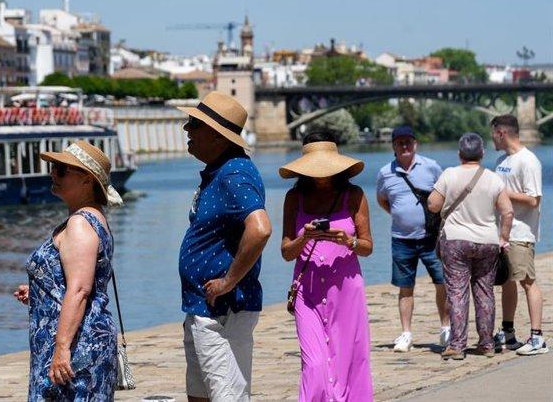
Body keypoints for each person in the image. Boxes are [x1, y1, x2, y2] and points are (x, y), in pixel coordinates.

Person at [176, 91, 272, 402]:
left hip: (223, 311)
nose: (186, 130)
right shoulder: (220, 171)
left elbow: (260, 229)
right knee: (201, 396)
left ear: (217, 135)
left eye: (194, 124)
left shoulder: (234, 173)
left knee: (228, 396)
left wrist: (229, 281)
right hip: (202, 307)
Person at [14, 140, 122, 400]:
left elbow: (81, 289)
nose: (52, 173)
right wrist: (41, 290)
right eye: (53, 167)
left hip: (76, 345)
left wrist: (62, 349)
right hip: (75, 340)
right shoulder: (88, 219)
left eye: (61, 169)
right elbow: (76, 281)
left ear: (87, 180)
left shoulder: (80, 224)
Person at [280, 131, 374, 402]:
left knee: (350, 363)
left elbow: (368, 247)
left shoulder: (353, 195)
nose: (320, 173)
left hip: (346, 292)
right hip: (306, 293)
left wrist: (349, 241)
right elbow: (286, 252)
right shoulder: (294, 198)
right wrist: (304, 237)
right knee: (315, 365)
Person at [427, 133, 514, 360]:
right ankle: (486, 344)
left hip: (455, 240)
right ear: (482, 154)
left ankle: (457, 345)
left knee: (457, 293)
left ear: (459, 154)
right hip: (487, 241)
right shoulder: (493, 178)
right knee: (485, 293)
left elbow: (433, 205)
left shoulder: (449, 174)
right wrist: (503, 237)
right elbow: (507, 212)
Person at [376, 125, 449, 352]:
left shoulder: (431, 167)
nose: (404, 146)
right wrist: (401, 215)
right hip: (401, 239)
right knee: (405, 287)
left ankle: (446, 328)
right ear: (394, 147)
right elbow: (383, 200)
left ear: (415, 144)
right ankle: (406, 333)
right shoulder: (385, 173)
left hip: (431, 238)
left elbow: (444, 196)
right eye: (400, 143)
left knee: (442, 282)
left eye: (408, 142)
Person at [490, 114, 547, 355]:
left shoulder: (528, 161)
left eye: (493, 133)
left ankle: (537, 338)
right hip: (503, 233)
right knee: (507, 282)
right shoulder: (502, 160)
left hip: (521, 232)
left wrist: (502, 192)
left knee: (527, 282)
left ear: (501, 133)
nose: (491, 138)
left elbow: (533, 199)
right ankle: (509, 331)